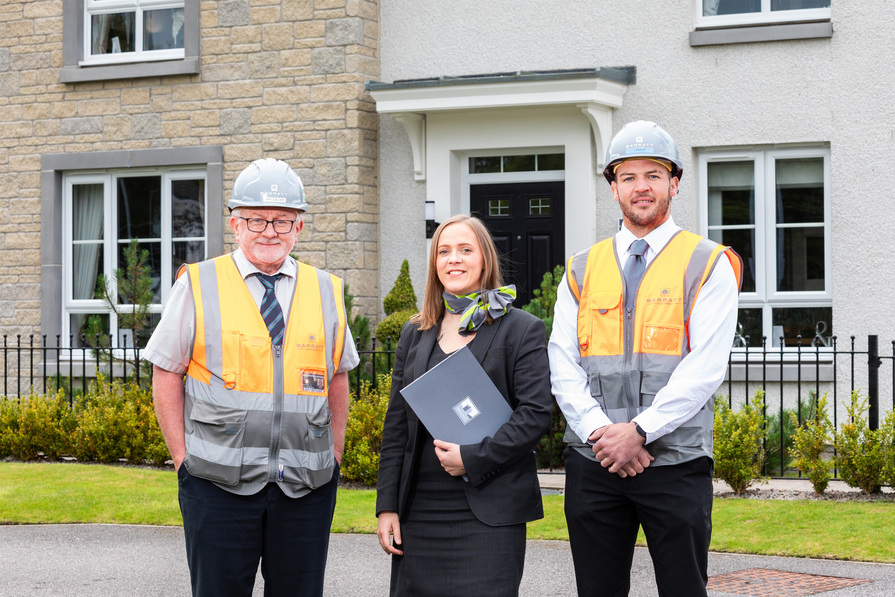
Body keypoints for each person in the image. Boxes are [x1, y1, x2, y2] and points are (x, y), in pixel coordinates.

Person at [144, 158, 359, 597]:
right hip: (216, 485)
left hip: (306, 487)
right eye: (256, 219)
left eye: (282, 221)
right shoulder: (199, 283)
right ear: (235, 224)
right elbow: (166, 371)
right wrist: (183, 460)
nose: (269, 231)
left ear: (299, 227)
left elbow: (338, 377)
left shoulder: (326, 290)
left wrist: (334, 456)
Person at [548, 121, 742, 596]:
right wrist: (601, 433)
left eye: (653, 175)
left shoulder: (709, 262)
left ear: (674, 183)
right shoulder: (580, 268)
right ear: (613, 188)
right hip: (594, 461)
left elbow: (705, 368)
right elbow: (562, 362)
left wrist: (638, 432)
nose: (641, 187)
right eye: (628, 177)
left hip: (675, 462)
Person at [376, 214, 553, 596]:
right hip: (419, 510)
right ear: (434, 263)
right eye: (444, 251)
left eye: (465, 249)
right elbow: (397, 426)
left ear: (484, 259)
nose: (453, 259)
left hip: (490, 513)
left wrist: (473, 457)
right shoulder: (415, 331)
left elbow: (536, 414)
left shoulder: (521, 328)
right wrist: (387, 506)